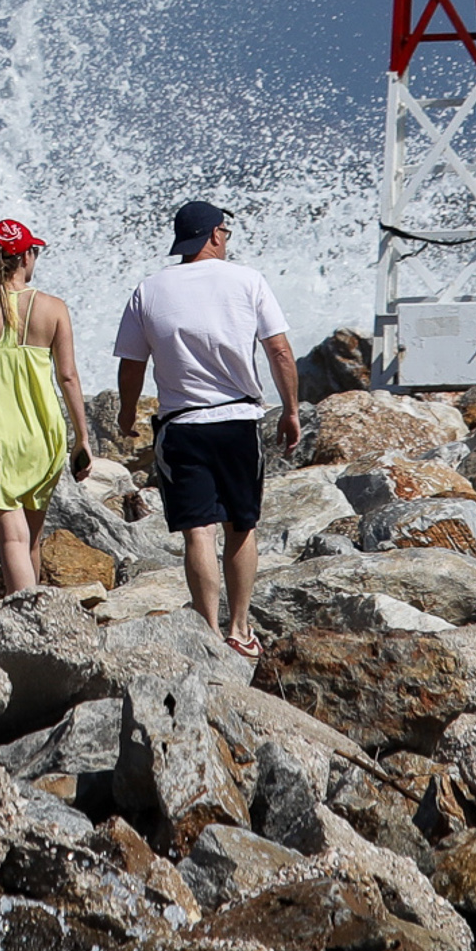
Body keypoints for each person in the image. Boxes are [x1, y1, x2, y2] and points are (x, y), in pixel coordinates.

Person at [109, 199, 299, 656]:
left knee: (199, 531)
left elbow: (132, 365)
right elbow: (279, 352)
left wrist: (127, 413)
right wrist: (291, 409)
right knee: (241, 525)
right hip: (237, 421)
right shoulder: (248, 280)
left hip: (181, 425)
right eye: (226, 233)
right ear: (215, 234)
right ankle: (240, 628)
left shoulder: (149, 289)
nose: (227, 240)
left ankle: (208, 633)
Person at [0, 217, 93, 589]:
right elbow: (68, 376)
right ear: (26, 257)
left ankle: (25, 617)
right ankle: (34, 611)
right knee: (32, 538)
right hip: (43, 432)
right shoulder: (53, 308)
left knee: (12, 539)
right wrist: (81, 439)